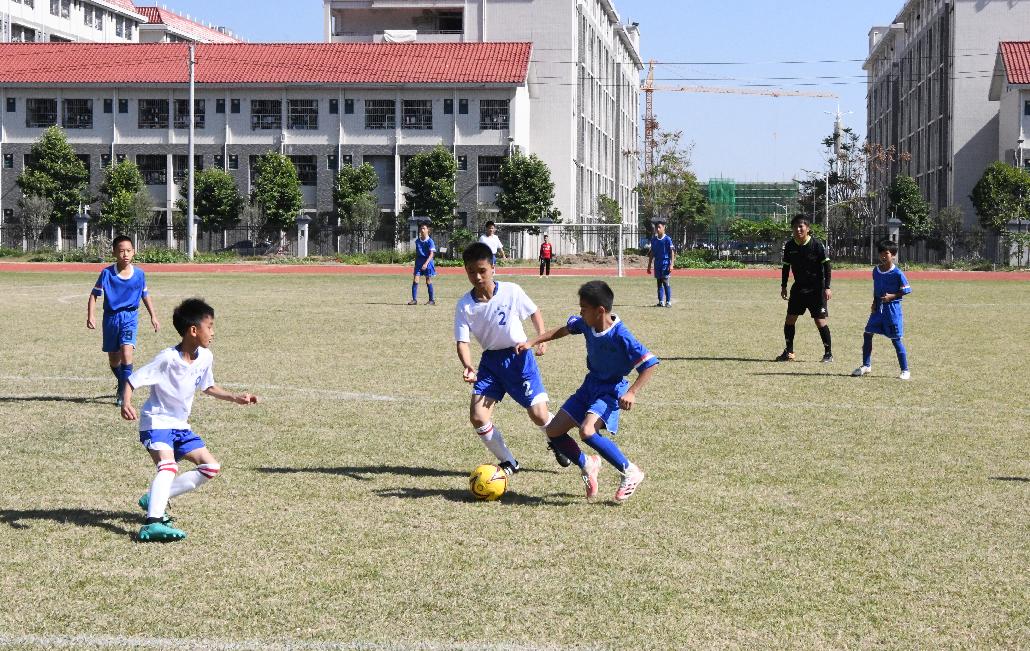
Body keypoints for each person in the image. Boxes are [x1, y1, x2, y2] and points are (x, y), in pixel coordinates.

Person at [121, 298, 259, 542]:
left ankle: (155, 498)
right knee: (168, 466)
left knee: (210, 467)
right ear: (193, 330)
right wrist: (127, 402)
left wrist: (234, 397)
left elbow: (209, 387)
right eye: (210, 326)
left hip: (180, 425)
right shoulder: (167, 359)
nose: (213, 333)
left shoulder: (205, 357)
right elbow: (133, 380)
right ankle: (153, 523)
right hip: (157, 422)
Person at [517, 280, 657, 503]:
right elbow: (562, 330)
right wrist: (533, 341)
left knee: (587, 431)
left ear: (600, 310)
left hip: (611, 390)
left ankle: (631, 471)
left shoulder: (622, 336)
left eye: (584, 309)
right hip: (589, 386)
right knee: (553, 431)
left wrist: (632, 392)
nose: (580, 313)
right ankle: (588, 464)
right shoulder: (587, 324)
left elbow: (650, 363)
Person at [455, 242, 568, 475]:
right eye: (471, 271)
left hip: (519, 357)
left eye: (482, 270)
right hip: (490, 363)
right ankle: (509, 461)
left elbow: (534, 311)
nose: (476, 277)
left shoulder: (511, 291)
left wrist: (541, 338)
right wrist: (467, 365)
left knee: (539, 415)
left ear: (493, 268)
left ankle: (558, 439)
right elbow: (462, 341)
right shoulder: (465, 305)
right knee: (478, 417)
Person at [86, 235, 160, 406]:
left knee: (127, 353)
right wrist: (91, 315)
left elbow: (145, 295)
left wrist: (153, 316)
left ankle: (125, 393)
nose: (125, 254)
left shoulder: (139, 274)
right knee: (113, 358)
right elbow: (94, 295)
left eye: (128, 250)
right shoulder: (107, 273)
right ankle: (122, 382)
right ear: (114, 252)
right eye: (121, 251)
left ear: (133, 252)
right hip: (111, 318)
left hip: (130, 317)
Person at [852, 240, 912, 380]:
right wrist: (874, 302)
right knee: (867, 333)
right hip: (878, 309)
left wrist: (893, 296)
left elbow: (907, 290)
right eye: (881, 253)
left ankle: (905, 370)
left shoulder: (897, 273)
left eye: (887, 253)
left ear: (893, 255)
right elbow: (876, 289)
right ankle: (866, 365)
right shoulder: (876, 270)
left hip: (892, 310)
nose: (883, 256)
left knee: (896, 340)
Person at [776, 215, 833, 363]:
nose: (798, 229)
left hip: (816, 289)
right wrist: (783, 286)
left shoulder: (817, 245)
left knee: (819, 321)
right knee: (790, 319)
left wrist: (827, 287)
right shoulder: (789, 246)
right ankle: (789, 352)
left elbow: (827, 266)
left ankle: (828, 353)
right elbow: (786, 267)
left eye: (801, 226)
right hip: (799, 288)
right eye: (795, 226)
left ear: (808, 228)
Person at [646, 218, 676, 307]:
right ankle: (660, 301)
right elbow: (652, 253)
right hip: (657, 264)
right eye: (656, 228)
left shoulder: (667, 239)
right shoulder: (654, 240)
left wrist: (671, 265)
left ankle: (668, 302)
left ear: (664, 228)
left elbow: (672, 252)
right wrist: (649, 265)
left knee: (665, 282)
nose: (657, 229)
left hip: (665, 263)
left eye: (659, 227)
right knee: (659, 283)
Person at [409, 220, 437, 305]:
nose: (422, 230)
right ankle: (414, 300)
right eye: (421, 228)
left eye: (424, 228)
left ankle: (431, 300)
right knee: (415, 280)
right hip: (418, 263)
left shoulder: (430, 241)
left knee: (428, 280)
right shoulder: (417, 241)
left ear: (428, 230)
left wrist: (426, 264)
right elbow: (418, 253)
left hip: (427, 262)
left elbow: (432, 254)